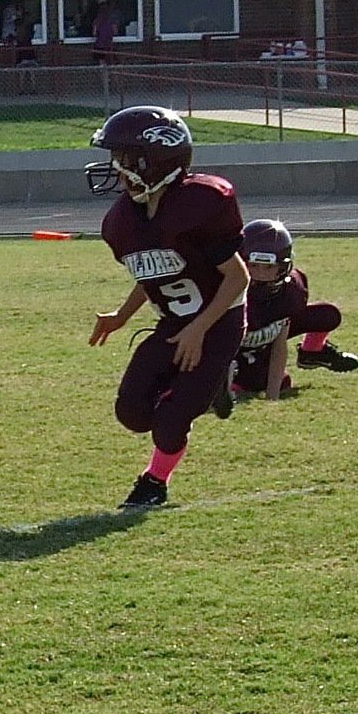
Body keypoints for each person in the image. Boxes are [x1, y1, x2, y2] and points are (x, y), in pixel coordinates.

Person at [85, 106, 250, 508]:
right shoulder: (123, 220)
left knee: (172, 419)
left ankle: (154, 482)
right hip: (174, 322)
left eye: (124, 159)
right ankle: (205, 392)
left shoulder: (200, 204)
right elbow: (153, 273)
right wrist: (121, 316)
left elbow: (237, 278)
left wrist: (200, 329)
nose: (116, 169)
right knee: (132, 413)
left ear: (156, 161)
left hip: (218, 322)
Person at [226, 218, 358, 402]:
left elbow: (280, 341)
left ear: (284, 267)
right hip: (231, 346)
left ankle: (312, 353)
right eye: (253, 266)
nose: (260, 274)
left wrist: (272, 398)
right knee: (255, 380)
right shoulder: (229, 290)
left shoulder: (290, 292)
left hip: (264, 334)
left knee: (328, 315)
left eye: (268, 267)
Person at [13, 9, 39, 94]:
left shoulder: (19, 28)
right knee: (32, 73)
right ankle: (33, 88)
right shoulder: (29, 29)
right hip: (29, 53)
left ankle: (21, 89)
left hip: (22, 53)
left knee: (22, 73)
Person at [92, 0, 117, 64]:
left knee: (101, 62)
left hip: (100, 45)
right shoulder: (112, 20)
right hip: (109, 44)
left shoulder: (96, 20)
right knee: (110, 61)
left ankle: (103, 73)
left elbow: (94, 33)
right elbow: (115, 32)